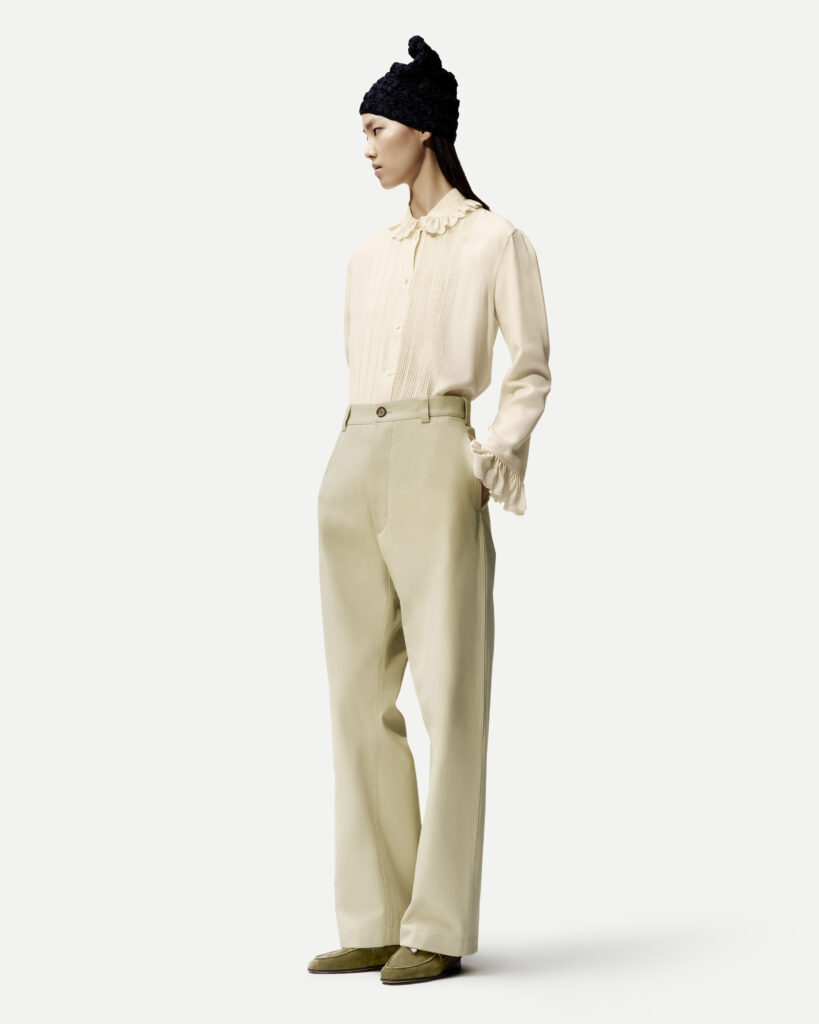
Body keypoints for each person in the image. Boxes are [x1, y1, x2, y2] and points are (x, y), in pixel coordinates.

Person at [308, 35, 552, 985]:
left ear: (422, 131)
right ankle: (374, 916)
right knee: (353, 697)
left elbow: (528, 367)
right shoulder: (366, 256)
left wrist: (493, 453)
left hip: (438, 455)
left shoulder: (496, 240)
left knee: (449, 695)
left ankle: (438, 923)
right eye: (363, 130)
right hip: (352, 453)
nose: (365, 147)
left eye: (377, 128)